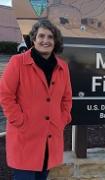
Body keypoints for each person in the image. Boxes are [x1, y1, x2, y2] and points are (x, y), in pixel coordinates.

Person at [0, 19, 72, 180]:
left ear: (55, 41)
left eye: (50, 37)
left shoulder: (62, 67)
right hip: (25, 138)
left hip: (50, 138)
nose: (45, 41)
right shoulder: (17, 62)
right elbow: (5, 95)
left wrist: (62, 119)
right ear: (34, 39)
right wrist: (19, 120)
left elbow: (66, 99)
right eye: (41, 36)